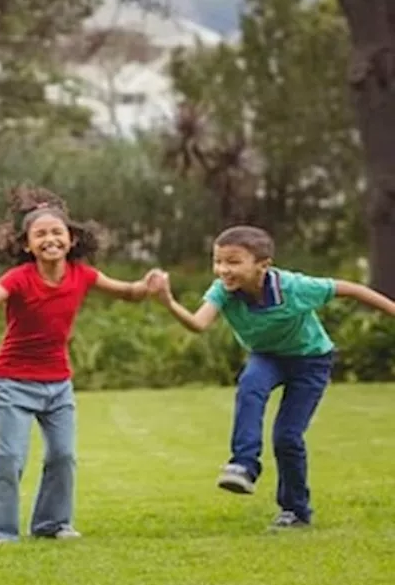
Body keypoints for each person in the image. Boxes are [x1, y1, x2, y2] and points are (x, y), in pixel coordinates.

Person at [149, 224, 395, 529]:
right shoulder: (223, 292)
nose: (223, 270)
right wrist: (168, 301)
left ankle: (295, 511)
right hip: (268, 356)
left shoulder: (296, 287)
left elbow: (353, 290)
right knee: (250, 384)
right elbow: (199, 324)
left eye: (233, 262)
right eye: (218, 261)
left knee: (287, 437)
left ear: (263, 266)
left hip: (311, 361)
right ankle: (243, 465)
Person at [0, 187, 159, 544]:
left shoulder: (82, 274)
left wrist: (148, 286)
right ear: (26, 245)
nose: (50, 239)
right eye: (40, 234)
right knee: (11, 457)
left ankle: (52, 524)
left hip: (58, 382)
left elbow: (128, 293)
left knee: (63, 454)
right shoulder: (17, 279)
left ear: (72, 238)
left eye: (57, 232)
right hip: (14, 382)